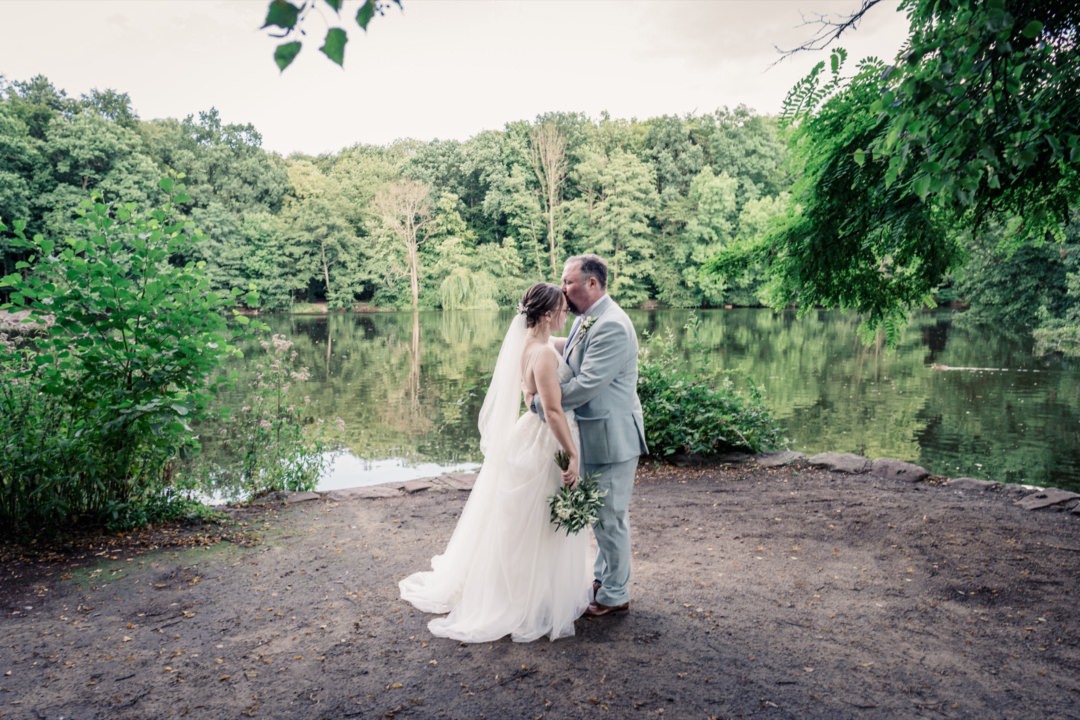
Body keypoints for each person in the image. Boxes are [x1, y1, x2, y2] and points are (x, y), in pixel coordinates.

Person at [398, 283, 592, 642]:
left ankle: (524, 588)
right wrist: (573, 454)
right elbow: (551, 409)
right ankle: (528, 598)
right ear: (548, 315)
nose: (568, 314)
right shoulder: (546, 354)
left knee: (521, 521)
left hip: (525, 434)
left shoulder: (530, 345)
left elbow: (539, 380)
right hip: (546, 440)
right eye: (564, 310)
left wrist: (584, 338)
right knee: (540, 520)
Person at [552, 254, 648, 617]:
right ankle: (603, 579)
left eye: (568, 282)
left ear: (592, 284)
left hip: (612, 437)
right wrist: (536, 344)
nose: (563, 288)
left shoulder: (611, 325)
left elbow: (587, 384)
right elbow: (573, 353)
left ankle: (615, 595)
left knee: (611, 518)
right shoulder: (588, 320)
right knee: (599, 514)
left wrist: (541, 406)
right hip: (593, 434)